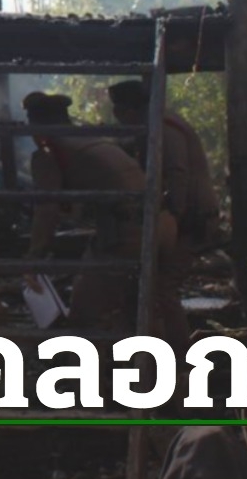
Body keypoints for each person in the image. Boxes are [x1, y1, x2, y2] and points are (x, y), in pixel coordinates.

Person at [21, 92, 177, 342]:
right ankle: (172, 361)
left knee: (85, 314)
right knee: (146, 307)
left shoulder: (49, 153)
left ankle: (87, 368)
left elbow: (47, 208)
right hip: (163, 225)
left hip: (129, 232)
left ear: (35, 125)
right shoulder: (94, 140)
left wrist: (34, 257)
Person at [107, 79, 221, 352]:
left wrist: (174, 217)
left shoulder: (165, 128)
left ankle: (180, 355)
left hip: (191, 217)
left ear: (126, 110)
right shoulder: (162, 123)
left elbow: (177, 173)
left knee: (163, 288)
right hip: (187, 215)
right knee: (155, 285)